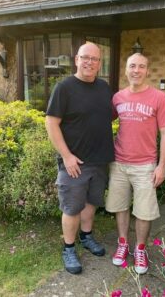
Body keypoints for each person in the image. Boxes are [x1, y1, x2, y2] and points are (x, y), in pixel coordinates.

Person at [45, 42, 114, 274]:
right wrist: (67, 156)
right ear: (77, 59)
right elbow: (51, 123)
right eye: (85, 57)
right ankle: (68, 247)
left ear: (99, 63)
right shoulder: (64, 88)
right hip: (74, 163)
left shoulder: (104, 88)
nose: (90, 62)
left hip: (99, 161)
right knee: (72, 207)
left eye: (94, 59)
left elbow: (108, 117)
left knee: (91, 203)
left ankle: (86, 237)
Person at [106, 53, 165, 274]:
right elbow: (102, 120)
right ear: (126, 70)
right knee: (120, 206)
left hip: (145, 164)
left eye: (141, 66)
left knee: (144, 212)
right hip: (119, 163)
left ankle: (141, 249)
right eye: (132, 66)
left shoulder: (158, 98)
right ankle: (123, 243)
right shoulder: (118, 97)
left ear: (147, 71)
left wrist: (161, 165)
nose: (136, 70)